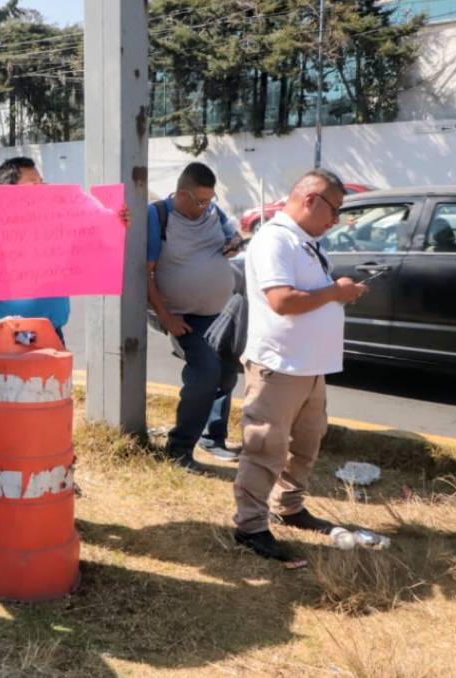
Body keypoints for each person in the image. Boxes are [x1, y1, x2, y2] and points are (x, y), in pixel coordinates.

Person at [233, 169, 367, 566]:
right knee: (265, 448)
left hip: (309, 367)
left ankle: (289, 507)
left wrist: (338, 296)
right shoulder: (275, 240)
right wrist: (336, 292)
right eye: (335, 209)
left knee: (306, 444)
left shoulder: (304, 242)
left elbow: (310, 297)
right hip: (279, 366)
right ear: (311, 200)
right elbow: (282, 301)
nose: (336, 220)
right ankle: (250, 526)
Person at [0, 157, 129, 344]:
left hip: (52, 335)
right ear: (9, 193)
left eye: (42, 183)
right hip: (7, 339)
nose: (43, 188)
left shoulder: (62, 231)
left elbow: (101, 251)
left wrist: (116, 223)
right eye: (34, 185)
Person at [147, 162, 244, 469]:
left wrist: (234, 243)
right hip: (184, 316)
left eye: (210, 199)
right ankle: (179, 450)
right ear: (182, 194)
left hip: (223, 311)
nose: (206, 206)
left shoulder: (214, 213)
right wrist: (166, 316)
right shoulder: (158, 216)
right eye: (201, 200)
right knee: (204, 374)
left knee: (226, 373)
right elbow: (145, 273)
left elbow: (233, 236)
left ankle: (212, 438)